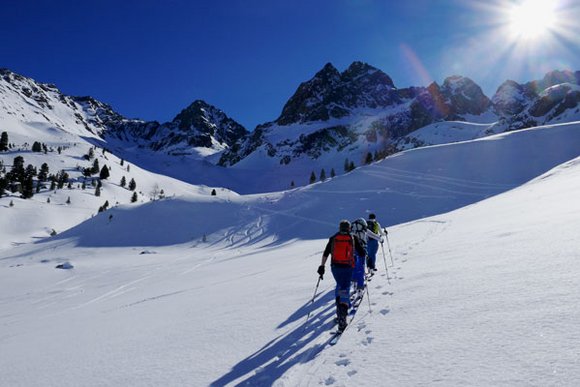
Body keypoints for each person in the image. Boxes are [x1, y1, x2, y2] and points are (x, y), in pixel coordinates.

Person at [318, 220, 366, 332]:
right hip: (348, 267)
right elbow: (362, 253)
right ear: (349, 228)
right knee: (345, 289)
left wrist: (322, 266)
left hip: (335, 267)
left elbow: (326, 253)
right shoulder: (353, 238)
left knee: (340, 286)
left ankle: (340, 310)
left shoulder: (333, 238)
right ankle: (342, 318)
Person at [350, 218, 369, 299]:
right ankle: (360, 289)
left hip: (353, 251)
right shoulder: (364, 229)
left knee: (354, 267)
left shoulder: (352, 231)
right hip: (362, 250)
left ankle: (354, 284)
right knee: (361, 268)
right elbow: (370, 235)